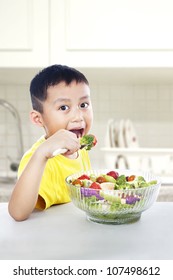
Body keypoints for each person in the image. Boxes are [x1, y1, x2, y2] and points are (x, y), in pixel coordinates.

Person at [8, 64, 93, 221]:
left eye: (83, 105)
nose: (78, 116)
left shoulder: (81, 150)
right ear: (38, 118)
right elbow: (18, 213)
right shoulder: (37, 159)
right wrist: (41, 154)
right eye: (63, 107)